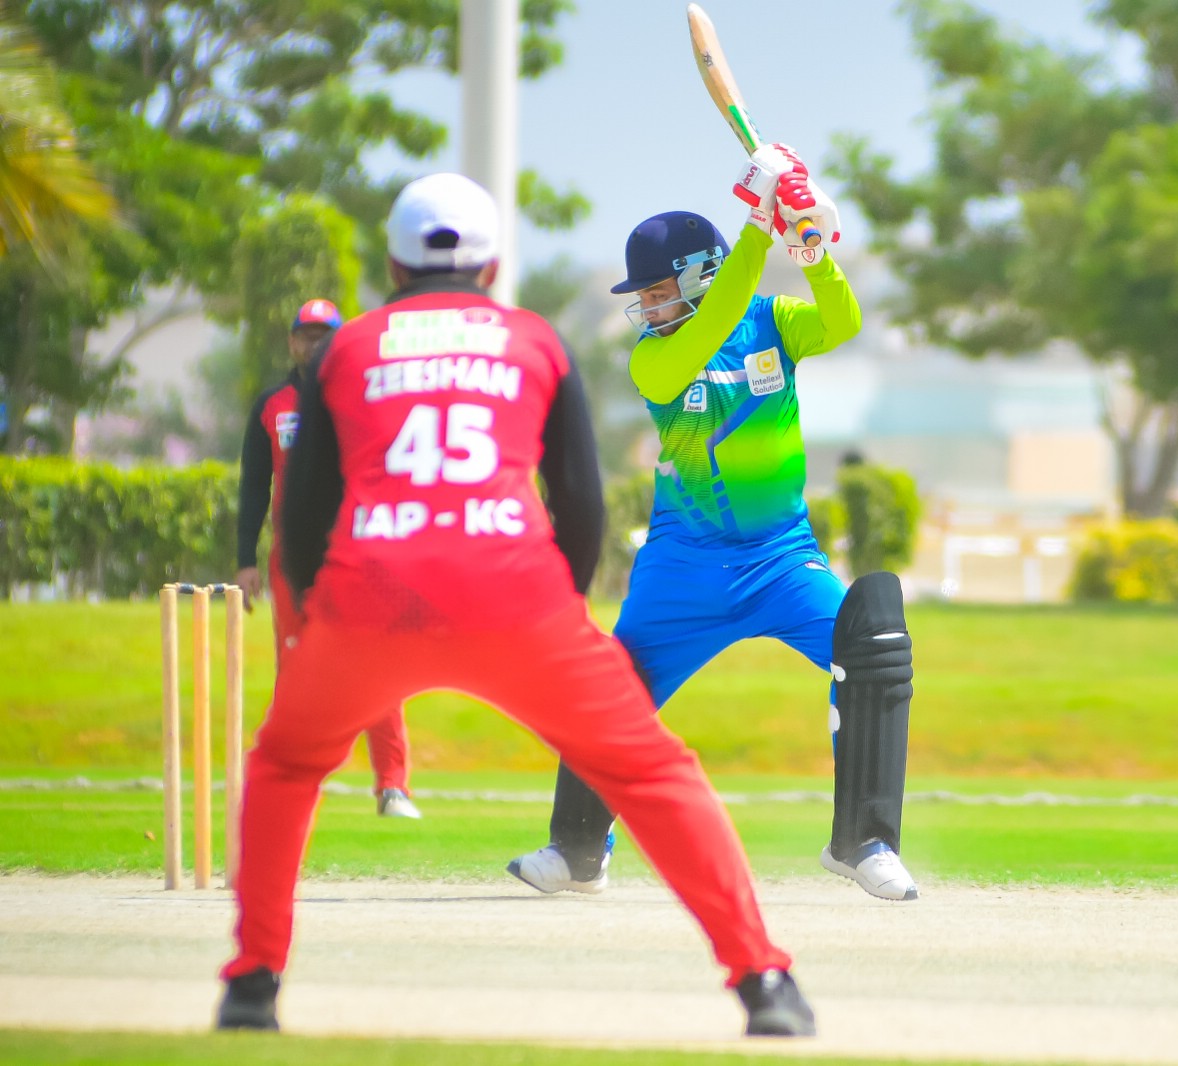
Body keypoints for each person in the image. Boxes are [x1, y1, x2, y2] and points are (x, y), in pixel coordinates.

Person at [214, 172, 814, 1039]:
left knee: (283, 765)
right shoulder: (534, 340)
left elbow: (301, 514)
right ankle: (764, 981)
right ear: (493, 267)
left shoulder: (345, 351)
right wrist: (558, 609)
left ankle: (251, 985)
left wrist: (318, 621)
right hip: (514, 594)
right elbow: (581, 503)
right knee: (651, 771)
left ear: (393, 265)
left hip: (370, 594)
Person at [507, 144, 917, 903]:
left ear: (700, 274)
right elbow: (719, 316)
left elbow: (843, 321)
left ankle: (864, 841)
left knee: (875, 647)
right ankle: (578, 850)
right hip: (684, 567)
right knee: (613, 684)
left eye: (658, 290)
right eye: (644, 295)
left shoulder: (772, 321)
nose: (647, 306)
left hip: (782, 558)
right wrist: (760, 225)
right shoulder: (654, 360)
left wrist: (815, 250)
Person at [236, 299, 422, 820]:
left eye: (325, 336)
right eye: (307, 335)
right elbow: (253, 485)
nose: (314, 344)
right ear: (292, 341)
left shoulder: (367, 395)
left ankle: (392, 786)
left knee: (377, 667)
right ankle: (291, 784)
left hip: (359, 554)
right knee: (297, 670)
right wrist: (244, 559)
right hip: (293, 559)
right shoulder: (273, 404)